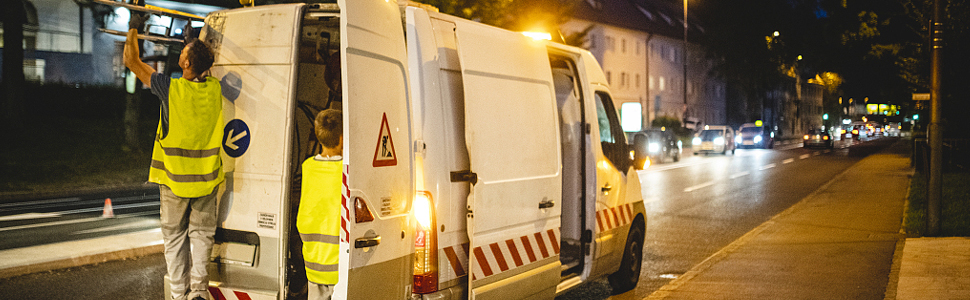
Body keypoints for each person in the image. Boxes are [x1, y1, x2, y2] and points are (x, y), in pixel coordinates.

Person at [123, 25, 223, 300]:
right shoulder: (214, 89)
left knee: (175, 239)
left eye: (184, 52)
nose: (181, 53)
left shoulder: (171, 89)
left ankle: (179, 295)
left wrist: (133, 29)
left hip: (175, 182)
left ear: (186, 63)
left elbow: (131, 61)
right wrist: (193, 41)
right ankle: (199, 293)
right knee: (202, 236)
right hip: (206, 181)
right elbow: (203, 65)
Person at [297, 109, 343, 300]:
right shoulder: (345, 170)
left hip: (313, 262)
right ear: (341, 138)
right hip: (339, 266)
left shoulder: (308, 167)